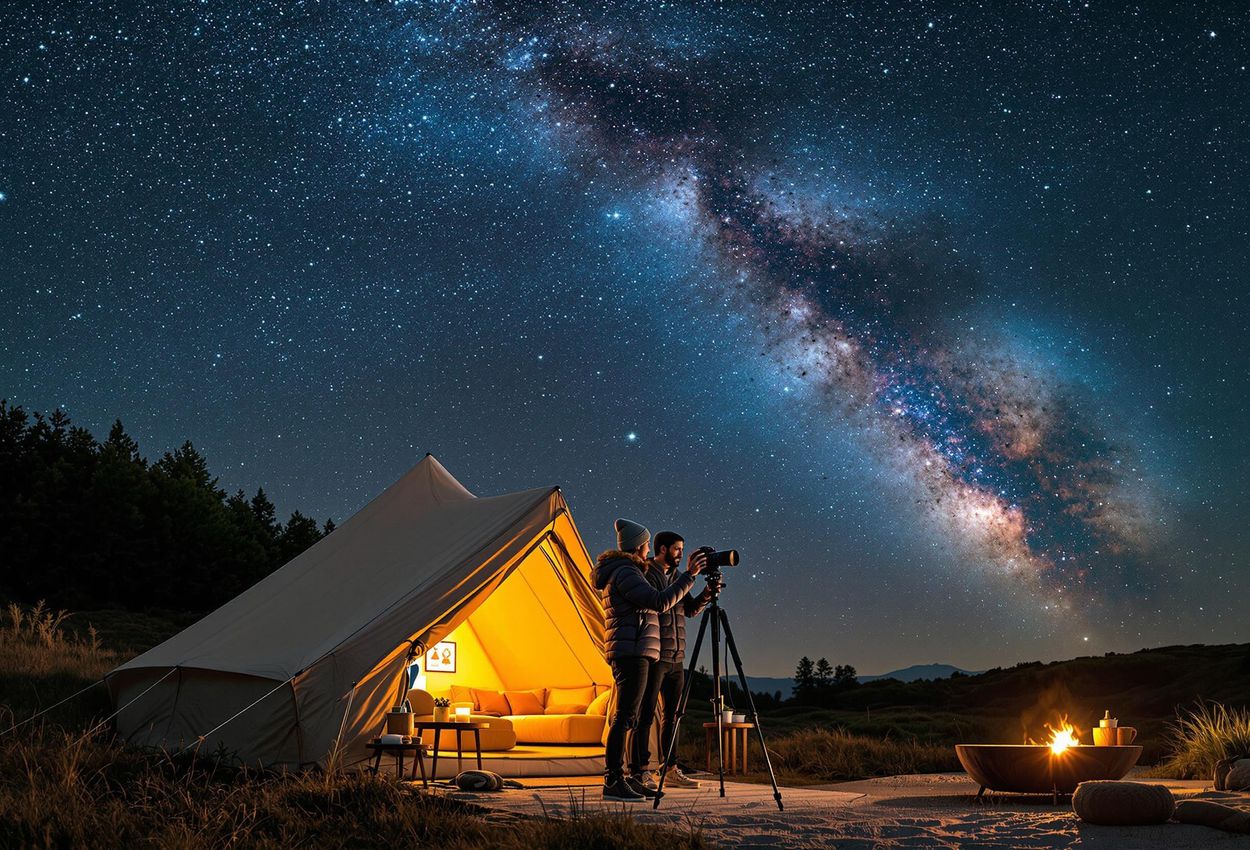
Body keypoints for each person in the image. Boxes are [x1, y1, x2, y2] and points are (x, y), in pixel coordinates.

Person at [593, 518, 705, 802]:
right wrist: (690, 576)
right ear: (638, 546)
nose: (647, 549)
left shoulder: (628, 571)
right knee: (626, 718)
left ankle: (626, 779)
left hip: (638, 649)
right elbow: (657, 602)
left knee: (628, 717)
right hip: (631, 652)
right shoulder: (627, 571)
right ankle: (614, 780)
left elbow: (673, 606)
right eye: (645, 544)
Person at [630, 530, 716, 790]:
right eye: (677, 549)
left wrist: (706, 595)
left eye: (682, 548)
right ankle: (639, 770)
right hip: (656, 655)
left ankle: (670, 768)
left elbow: (688, 610)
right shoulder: (648, 573)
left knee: (674, 715)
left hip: (677, 658)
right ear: (663, 549)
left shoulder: (678, 577)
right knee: (645, 715)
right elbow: (662, 604)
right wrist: (690, 577)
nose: (681, 553)